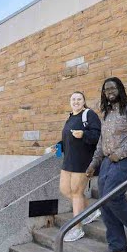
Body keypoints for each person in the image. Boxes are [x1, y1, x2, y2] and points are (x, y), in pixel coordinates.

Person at [85, 77, 127, 252]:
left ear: (120, 89)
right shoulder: (107, 114)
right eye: (106, 89)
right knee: (104, 202)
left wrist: (118, 154)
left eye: (113, 88)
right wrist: (93, 164)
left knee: (112, 196)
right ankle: (117, 245)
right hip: (106, 162)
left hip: (126, 160)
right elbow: (100, 143)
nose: (109, 91)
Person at [46, 91, 102, 242]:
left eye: (79, 99)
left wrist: (83, 134)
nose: (76, 101)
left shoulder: (89, 115)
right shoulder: (70, 117)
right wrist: (57, 146)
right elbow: (67, 139)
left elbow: (98, 136)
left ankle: (77, 228)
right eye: (73, 99)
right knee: (65, 190)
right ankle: (89, 212)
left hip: (83, 161)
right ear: (70, 102)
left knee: (77, 193)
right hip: (69, 160)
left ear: (84, 101)